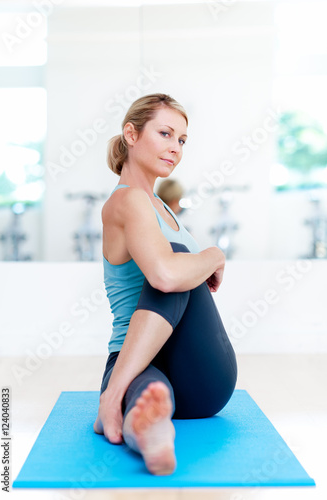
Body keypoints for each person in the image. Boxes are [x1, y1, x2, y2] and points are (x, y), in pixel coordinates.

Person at [93, 93, 237, 476]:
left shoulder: (161, 206)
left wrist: (206, 258)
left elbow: (168, 275)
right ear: (131, 134)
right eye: (166, 133)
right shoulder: (127, 202)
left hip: (199, 370)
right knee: (149, 396)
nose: (175, 147)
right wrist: (212, 256)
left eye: (182, 140)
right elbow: (166, 275)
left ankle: (114, 399)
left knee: (172, 258)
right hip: (137, 366)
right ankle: (151, 431)